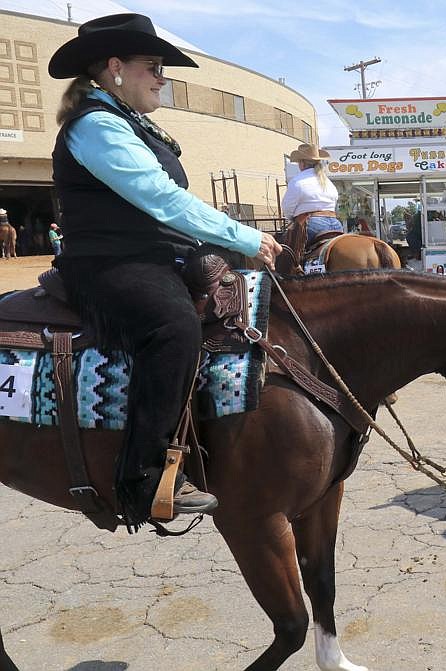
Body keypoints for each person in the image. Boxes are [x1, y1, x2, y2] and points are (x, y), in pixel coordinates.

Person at [48, 13, 283, 529]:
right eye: (153, 67)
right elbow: (161, 200)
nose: (162, 78)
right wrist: (244, 237)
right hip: (108, 263)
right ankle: (145, 477)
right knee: (172, 327)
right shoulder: (97, 126)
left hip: (153, 256)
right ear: (114, 68)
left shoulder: (131, 123)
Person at [281, 143, 342, 255]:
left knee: (288, 254)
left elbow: (287, 208)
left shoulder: (297, 181)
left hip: (311, 224)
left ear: (302, 163)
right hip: (336, 224)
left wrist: (292, 219)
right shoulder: (327, 182)